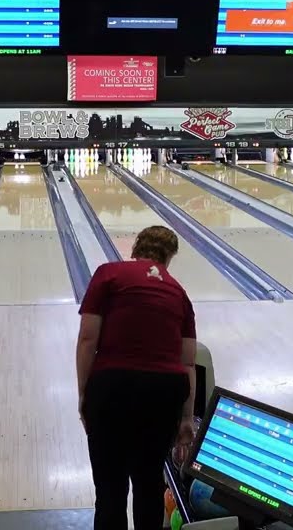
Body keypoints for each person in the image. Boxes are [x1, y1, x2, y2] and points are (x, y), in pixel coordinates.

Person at [77, 226, 197, 530]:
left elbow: (88, 340)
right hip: (165, 392)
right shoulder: (179, 292)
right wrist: (186, 418)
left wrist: (84, 395)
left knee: (109, 489)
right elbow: (188, 362)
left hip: (112, 386)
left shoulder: (108, 274)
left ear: (135, 249)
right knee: (149, 485)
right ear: (169, 257)